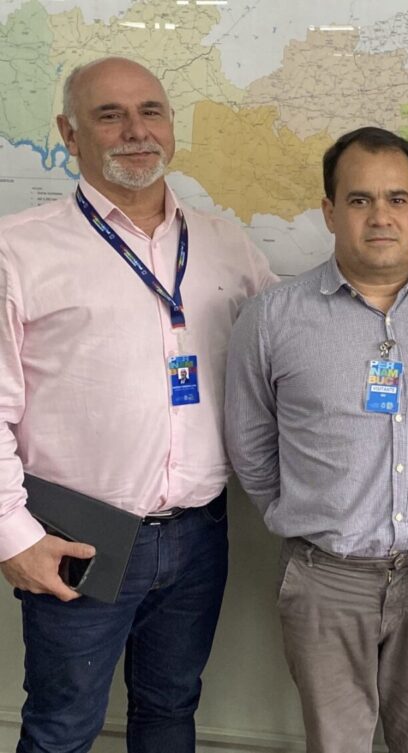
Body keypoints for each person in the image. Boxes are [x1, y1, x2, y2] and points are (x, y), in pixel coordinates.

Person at [0, 57, 274, 752]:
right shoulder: (17, 250)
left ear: (171, 126)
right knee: (63, 728)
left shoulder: (227, 244)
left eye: (150, 111)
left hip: (200, 534)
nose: (135, 131)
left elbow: (289, 354)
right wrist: (14, 537)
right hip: (79, 535)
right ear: (69, 133)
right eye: (109, 115)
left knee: (171, 709)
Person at [224, 127, 408, 753]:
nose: (380, 216)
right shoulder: (272, 317)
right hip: (325, 579)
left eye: (397, 198)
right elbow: (250, 442)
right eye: (360, 200)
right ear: (330, 211)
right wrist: (301, 515)